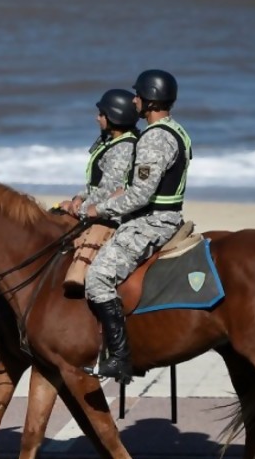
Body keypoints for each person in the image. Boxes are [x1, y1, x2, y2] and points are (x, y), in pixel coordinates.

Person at [81, 69, 192, 384]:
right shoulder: (176, 130)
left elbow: (141, 195)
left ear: (150, 100)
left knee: (99, 279)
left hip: (153, 222)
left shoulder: (155, 137)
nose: (134, 101)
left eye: (139, 96)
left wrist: (96, 209)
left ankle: (119, 357)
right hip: (160, 215)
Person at [59, 88, 139, 218]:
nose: (97, 118)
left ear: (115, 116)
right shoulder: (114, 142)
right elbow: (96, 185)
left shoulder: (124, 148)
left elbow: (107, 192)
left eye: (102, 114)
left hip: (110, 216)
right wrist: (79, 197)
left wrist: (75, 209)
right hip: (95, 207)